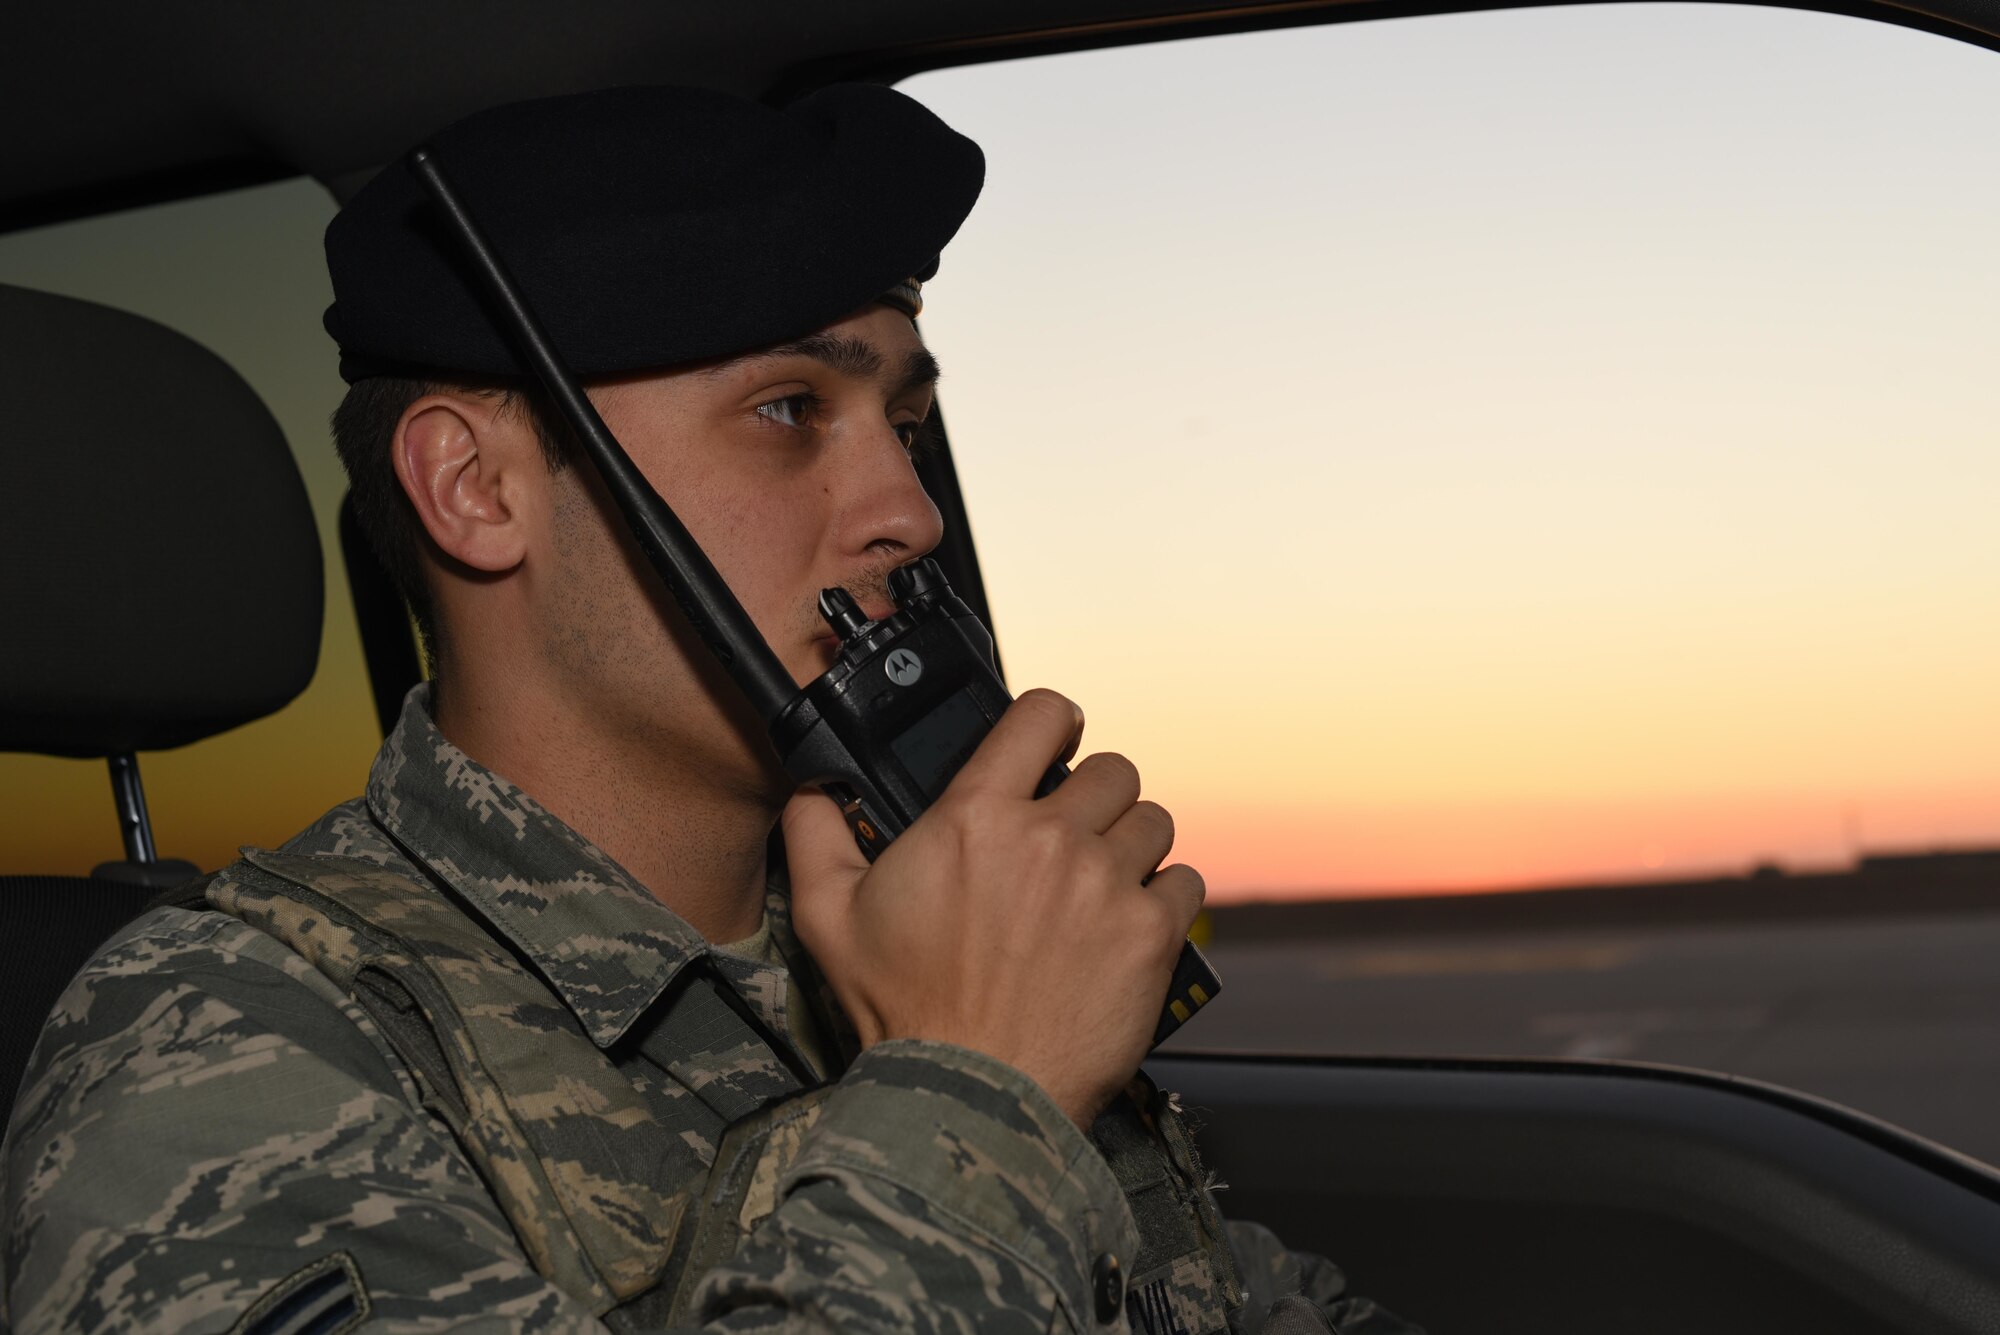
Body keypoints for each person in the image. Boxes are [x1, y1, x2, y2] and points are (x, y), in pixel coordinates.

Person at [0, 84, 1419, 1335]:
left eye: (905, 427)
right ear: (476, 491)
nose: (910, 514)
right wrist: (975, 1091)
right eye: (792, 409)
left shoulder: (907, 928)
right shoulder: (221, 1049)